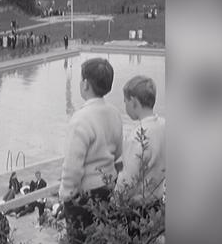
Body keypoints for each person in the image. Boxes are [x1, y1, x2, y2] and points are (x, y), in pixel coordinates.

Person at [59, 58, 123, 242]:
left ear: (85, 84)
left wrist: (66, 195)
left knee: (81, 239)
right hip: (109, 188)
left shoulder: (80, 119)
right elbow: (118, 152)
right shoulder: (115, 113)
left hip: (84, 198)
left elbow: (72, 167)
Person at [115, 75, 165, 202]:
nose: (125, 106)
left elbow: (128, 179)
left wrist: (115, 200)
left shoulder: (137, 137)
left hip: (138, 206)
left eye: (125, 102)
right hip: (157, 199)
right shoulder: (164, 125)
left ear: (133, 102)